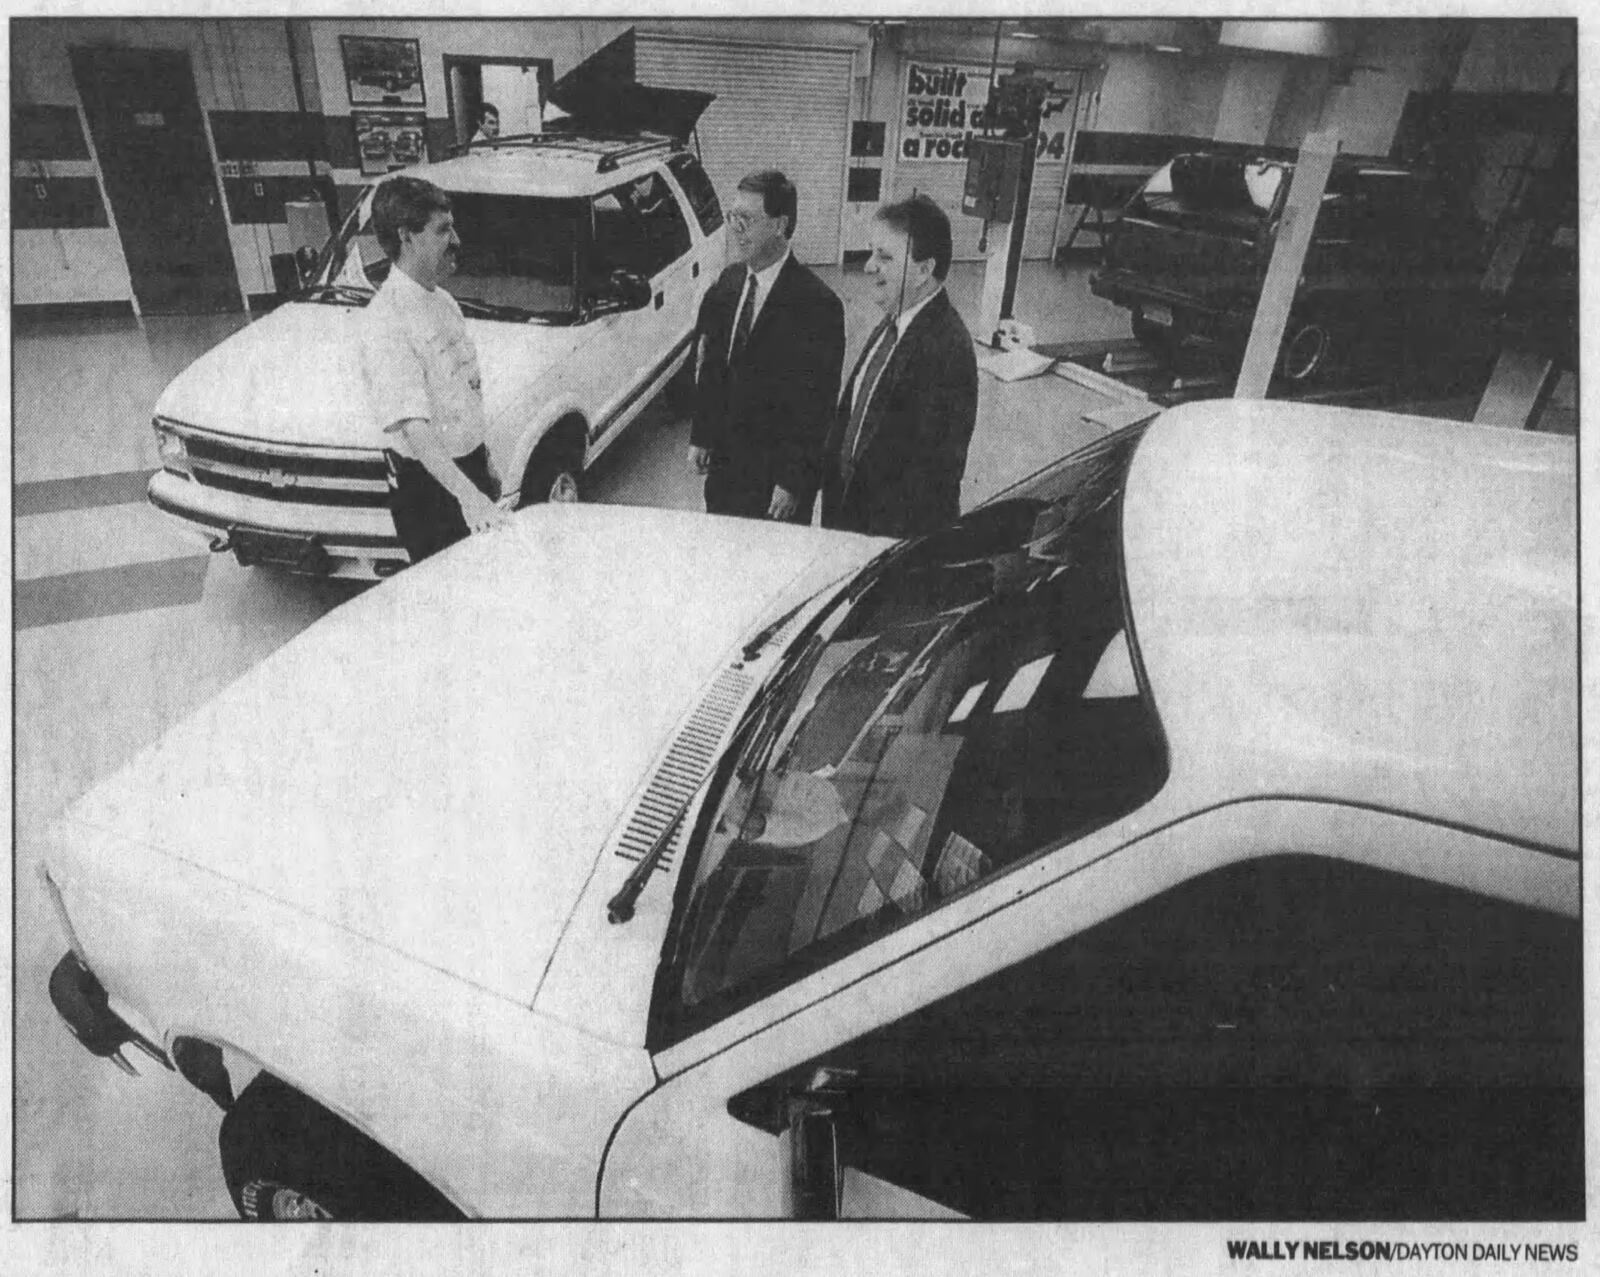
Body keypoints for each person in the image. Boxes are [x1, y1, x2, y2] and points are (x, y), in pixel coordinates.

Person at [359, 175, 514, 565]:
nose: (457, 240)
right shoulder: (386, 320)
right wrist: (470, 498)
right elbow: (415, 428)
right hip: (431, 493)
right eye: (443, 229)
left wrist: (485, 462)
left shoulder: (443, 302)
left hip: (467, 474)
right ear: (406, 237)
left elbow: (465, 390)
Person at [688, 170, 845, 522]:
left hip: (774, 489)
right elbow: (712, 366)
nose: (735, 229)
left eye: (746, 219)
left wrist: (793, 482)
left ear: (780, 225)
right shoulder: (728, 284)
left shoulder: (818, 306)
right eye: (733, 217)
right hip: (724, 473)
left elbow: (817, 407)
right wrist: (702, 434)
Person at [820, 195, 978, 539]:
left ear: (924, 270)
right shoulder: (894, 321)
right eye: (872, 252)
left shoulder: (946, 350)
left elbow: (931, 483)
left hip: (883, 544)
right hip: (848, 528)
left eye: (885, 257)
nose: (868, 266)